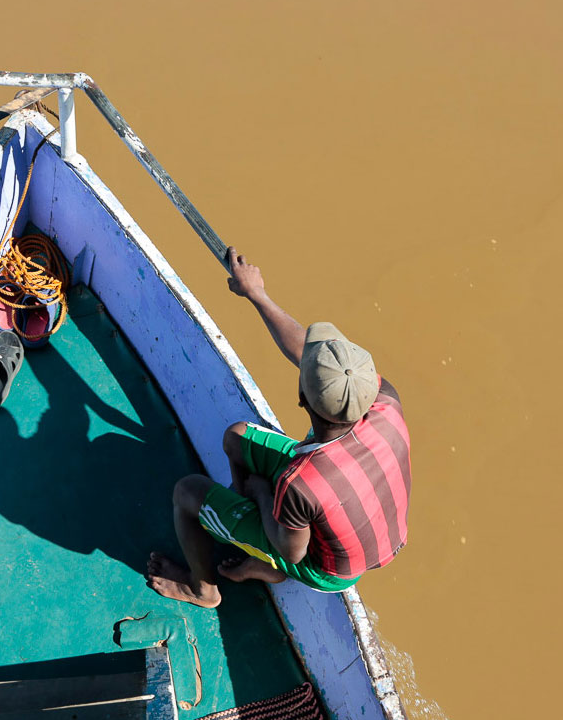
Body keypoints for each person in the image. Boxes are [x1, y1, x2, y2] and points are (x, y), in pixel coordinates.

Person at [146, 247, 412, 607]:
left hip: (325, 570)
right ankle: (255, 546)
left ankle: (203, 589)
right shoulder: (385, 399)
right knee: (237, 437)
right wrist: (256, 293)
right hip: (368, 529)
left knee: (187, 492)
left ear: (301, 398)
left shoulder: (299, 483)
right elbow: (304, 352)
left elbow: (294, 551)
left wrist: (260, 492)